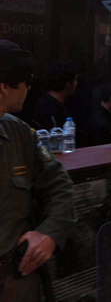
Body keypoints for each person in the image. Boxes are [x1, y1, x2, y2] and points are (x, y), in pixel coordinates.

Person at [0, 40, 76, 302]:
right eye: (25, 82)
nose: (29, 89)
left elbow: (60, 186)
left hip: (15, 282)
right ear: (4, 88)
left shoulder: (20, 134)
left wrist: (49, 232)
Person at [31, 60, 78, 131]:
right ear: (68, 85)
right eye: (75, 80)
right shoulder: (47, 108)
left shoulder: (64, 104)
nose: (77, 83)